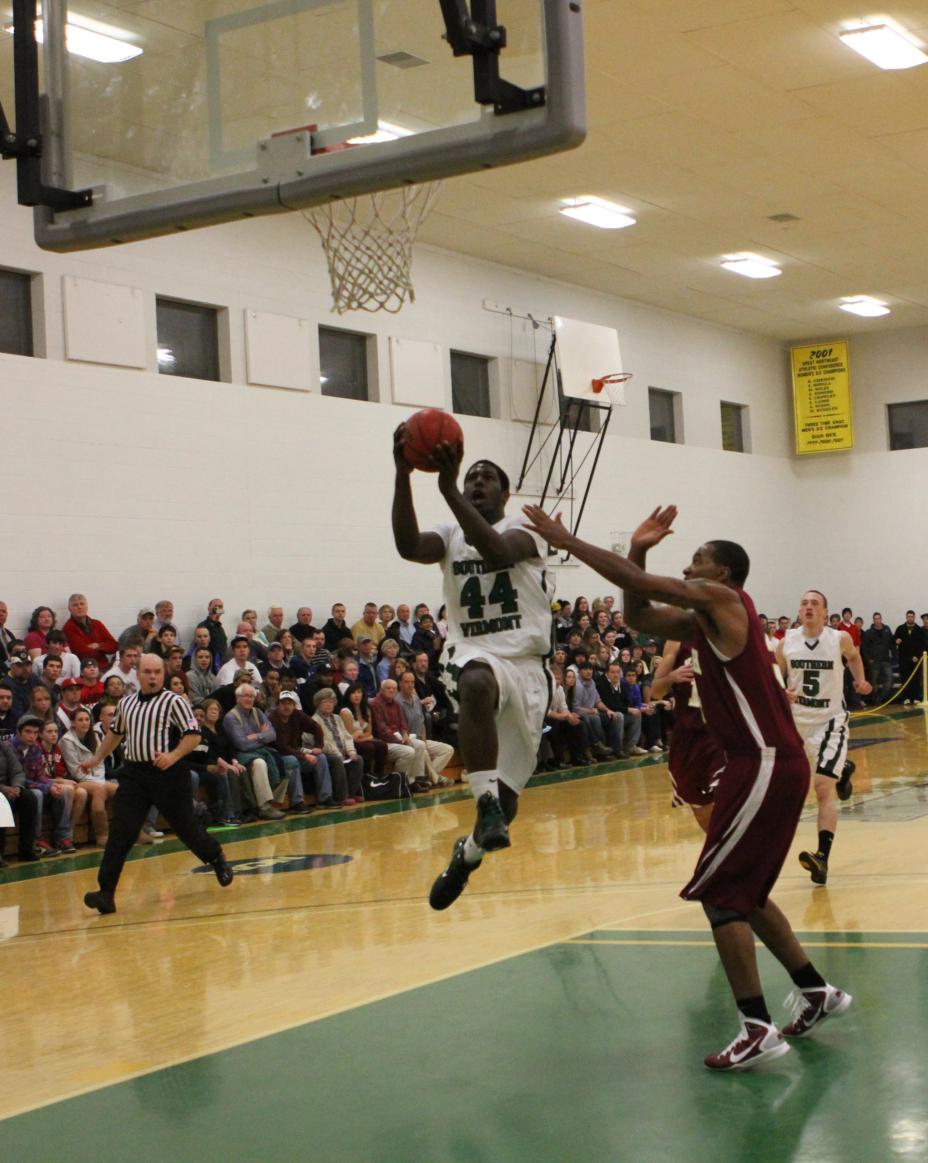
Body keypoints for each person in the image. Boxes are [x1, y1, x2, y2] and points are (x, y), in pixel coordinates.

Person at [523, 501, 851, 1071]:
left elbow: (636, 584)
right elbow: (639, 617)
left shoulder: (725, 601)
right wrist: (638, 548)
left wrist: (565, 540)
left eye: (697, 559)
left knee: (721, 896)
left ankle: (755, 1026)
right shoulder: (705, 620)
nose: (690, 566)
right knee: (743, 891)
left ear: (722, 574)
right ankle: (816, 990)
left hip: (763, 760)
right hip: (765, 761)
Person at [392, 429, 553, 911]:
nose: (477, 483)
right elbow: (405, 544)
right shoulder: (448, 534)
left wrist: (448, 488)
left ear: (506, 494)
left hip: (526, 665)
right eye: (472, 478)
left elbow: (498, 552)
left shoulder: (530, 529)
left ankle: (467, 854)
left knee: (511, 805)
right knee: (475, 680)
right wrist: (402, 475)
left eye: (488, 478)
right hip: (475, 651)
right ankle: (481, 801)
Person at [81, 654, 233, 914]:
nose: (152, 677)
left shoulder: (174, 701)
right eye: (147, 672)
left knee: (186, 829)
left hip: (168, 775)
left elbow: (194, 736)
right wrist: (96, 758)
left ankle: (216, 858)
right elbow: (115, 734)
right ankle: (106, 893)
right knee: (120, 833)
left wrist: (173, 755)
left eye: (157, 672)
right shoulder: (126, 704)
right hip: (134, 775)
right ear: (137, 674)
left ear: (162, 674)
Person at [776, 591, 871, 886]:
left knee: (821, 788)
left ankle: (822, 858)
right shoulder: (785, 643)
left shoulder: (838, 638)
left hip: (830, 721)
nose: (808, 607)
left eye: (814, 603)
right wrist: (782, 691)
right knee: (796, 786)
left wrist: (859, 680)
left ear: (825, 611)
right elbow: (774, 676)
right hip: (796, 723)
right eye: (803, 603)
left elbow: (854, 657)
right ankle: (843, 770)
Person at [649, 641, 721, 832]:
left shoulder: (726, 631)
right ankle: (723, 849)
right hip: (689, 734)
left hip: (722, 731)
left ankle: (738, 851)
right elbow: (656, 690)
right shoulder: (676, 641)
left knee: (728, 792)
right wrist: (671, 677)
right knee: (700, 807)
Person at [60, 708, 118, 847]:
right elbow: (75, 770)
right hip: (78, 781)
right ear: (73, 723)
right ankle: (102, 835)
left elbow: (100, 762)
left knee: (121, 790)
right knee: (99, 790)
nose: (85, 723)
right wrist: (98, 782)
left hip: (98, 778)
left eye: (87, 719)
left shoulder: (95, 736)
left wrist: (99, 780)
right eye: (80, 720)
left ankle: (132, 831)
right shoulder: (66, 741)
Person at [269, 691, 335, 809]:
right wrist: (304, 756)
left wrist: (319, 746)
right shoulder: (273, 719)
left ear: (294, 705)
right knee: (292, 760)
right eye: (283, 703)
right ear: (278, 705)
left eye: (290, 703)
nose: (286, 706)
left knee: (321, 758)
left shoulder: (297, 715)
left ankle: (325, 798)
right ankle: (297, 802)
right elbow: (282, 747)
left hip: (296, 752)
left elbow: (316, 727)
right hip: (278, 757)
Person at [312, 688, 364, 805]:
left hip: (341, 752)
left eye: (331, 701)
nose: (329, 704)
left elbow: (347, 737)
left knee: (358, 759)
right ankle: (341, 796)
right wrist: (338, 754)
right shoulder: (314, 720)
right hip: (326, 754)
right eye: (325, 702)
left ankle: (351, 793)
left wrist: (351, 751)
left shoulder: (337, 718)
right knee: (336, 760)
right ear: (318, 704)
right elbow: (322, 743)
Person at [62, 594, 118, 667]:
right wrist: (104, 648)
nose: (79, 607)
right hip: (84, 669)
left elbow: (114, 646)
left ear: (86, 606)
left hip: (103, 666)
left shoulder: (97, 624)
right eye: (75, 605)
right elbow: (82, 653)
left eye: (82, 604)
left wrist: (98, 645)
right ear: (70, 609)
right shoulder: (68, 628)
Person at [861, 613, 896, 706]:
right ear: (873, 620)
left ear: (881, 619)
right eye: (875, 619)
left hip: (886, 660)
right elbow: (864, 647)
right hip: (874, 661)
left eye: (879, 618)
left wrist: (894, 655)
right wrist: (869, 660)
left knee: (890, 679)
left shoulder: (887, 630)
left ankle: (881, 698)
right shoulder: (868, 632)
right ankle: (876, 700)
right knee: (873, 681)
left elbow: (892, 643)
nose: (877, 620)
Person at [894, 611, 927, 704]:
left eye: (912, 616)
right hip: (903, 659)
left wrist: (917, 656)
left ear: (914, 617)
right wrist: (896, 640)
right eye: (908, 616)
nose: (910, 618)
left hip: (915, 659)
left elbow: (923, 645)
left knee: (915, 679)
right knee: (905, 678)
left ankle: (915, 697)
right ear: (906, 617)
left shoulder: (919, 630)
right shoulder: (900, 628)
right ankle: (906, 698)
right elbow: (894, 639)